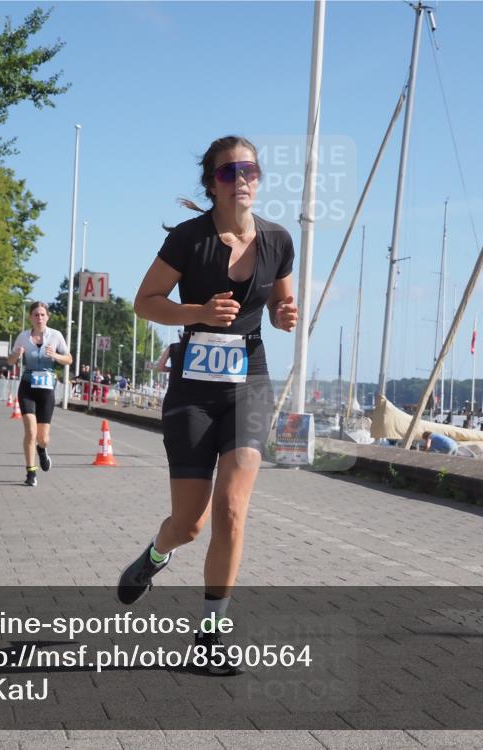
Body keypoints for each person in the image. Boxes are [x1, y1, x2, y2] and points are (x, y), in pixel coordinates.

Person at [116, 135, 298, 676]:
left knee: (233, 509)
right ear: (211, 183)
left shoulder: (278, 240)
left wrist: (285, 316)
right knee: (190, 523)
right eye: (228, 172)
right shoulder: (188, 239)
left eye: (250, 170)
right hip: (193, 391)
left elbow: (282, 304)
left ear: (259, 178)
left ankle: (210, 635)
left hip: (249, 383)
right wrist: (196, 311)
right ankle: (156, 554)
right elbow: (145, 302)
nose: (241, 179)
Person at [8, 302, 72, 487]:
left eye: (43, 314)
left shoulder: (56, 336)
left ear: (47, 317)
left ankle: (42, 450)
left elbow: (69, 359)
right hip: (27, 387)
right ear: (31, 317)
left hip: (46, 390)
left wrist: (56, 356)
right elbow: (10, 360)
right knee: (30, 431)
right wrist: (17, 355)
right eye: (36, 315)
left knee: (43, 438)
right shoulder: (23, 337)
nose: (39, 318)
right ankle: (31, 472)